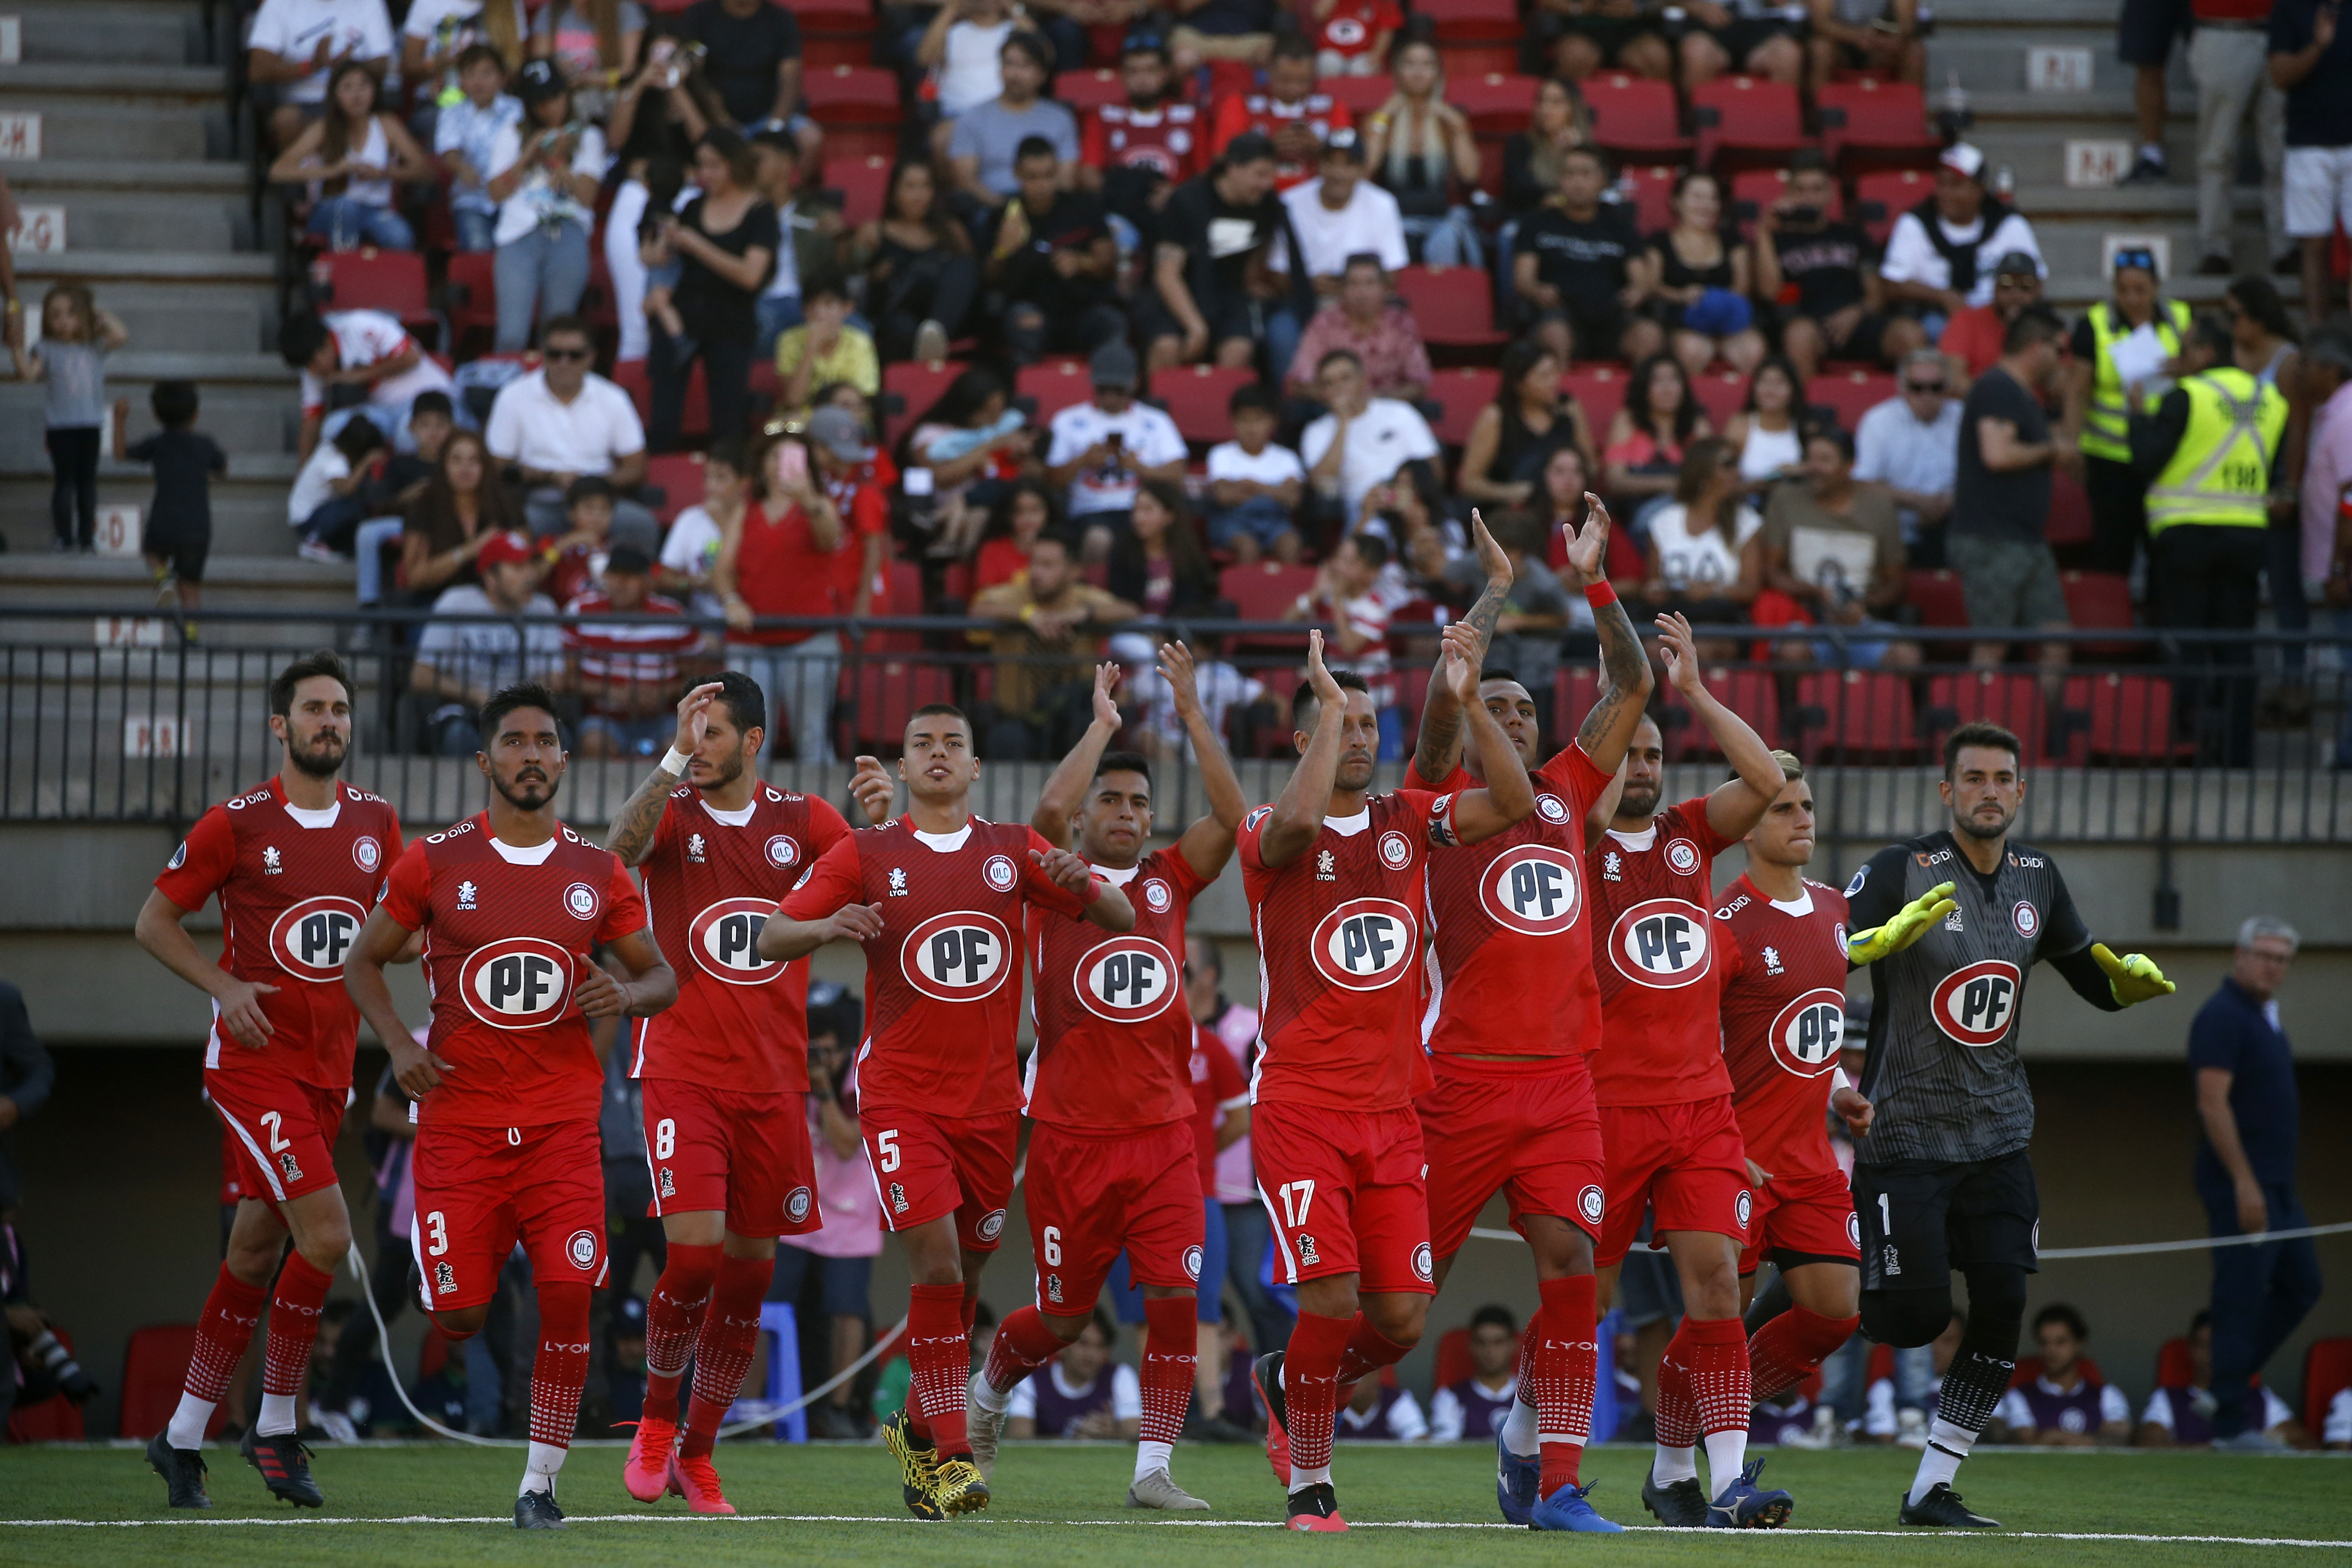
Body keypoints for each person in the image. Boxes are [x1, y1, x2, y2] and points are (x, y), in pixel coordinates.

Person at [757, 706, 1135, 1519]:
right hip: (899, 1096)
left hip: (993, 1105)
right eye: (921, 743)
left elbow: (1122, 918)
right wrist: (828, 923)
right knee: (931, 1261)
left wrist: (1085, 883)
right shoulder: (866, 852)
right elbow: (770, 934)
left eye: (951, 745)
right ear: (902, 766)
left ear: (974, 770)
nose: (936, 754)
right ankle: (954, 1457)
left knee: (964, 1274)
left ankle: (913, 1432)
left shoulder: (1011, 850)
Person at [346, 683, 676, 1528]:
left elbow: (663, 977)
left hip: (564, 1130)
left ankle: (539, 1486)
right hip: (460, 1127)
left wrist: (623, 994)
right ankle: (444, 1270)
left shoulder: (598, 871)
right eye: (515, 741)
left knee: (569, 1299)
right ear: (485, 759)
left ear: (564, 760)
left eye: (545, 742)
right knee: (459, 1314)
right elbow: (361, 962)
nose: (531, 755)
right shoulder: (432, 861)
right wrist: (403, 1044)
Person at [1241, 612, 1538, 1532]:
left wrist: (1466, 695)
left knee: (1402, 1318)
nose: (1363, 738)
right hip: (1300, 1107)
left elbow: (1517, 802)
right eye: (1342, 723)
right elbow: (1295, 822)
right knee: (1328, 1295)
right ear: (1306, 738)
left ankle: (1282, 1379)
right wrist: (1327, 706)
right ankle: (1310, 1488)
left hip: (1391, 1112)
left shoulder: (1411, 819)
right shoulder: (1267, 827)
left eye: (1371, 725)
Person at [1843, 720, 2176, 1528]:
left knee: (2000, 1306)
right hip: (1904, 1139)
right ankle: (1810, 1279)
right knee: (1912, 1320)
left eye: (2002, 778)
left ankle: (1931, 1488)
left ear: (2020, 793)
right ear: (1946, 791)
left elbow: (2088, 975)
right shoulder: (1900, 868)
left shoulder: (2038, 877)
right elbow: (1823, 950)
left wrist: (2127, 987)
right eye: (1974, 777)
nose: (1989, 791)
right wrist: (1873, 943)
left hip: (1997, 1136)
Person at [1398, 499, 1646, 1529]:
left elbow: (1632, 681)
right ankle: (1304, 1388)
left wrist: (1593, 579)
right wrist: (1491, 598)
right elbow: (1437, 724)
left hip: (1559, 1082)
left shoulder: (1567, 789)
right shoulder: (1441, 796)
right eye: (1490, 708)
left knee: (1572, 1273)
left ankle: (1552, 1480)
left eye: (1521, 710)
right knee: (1401, 1307)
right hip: (1460, 1077)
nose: (1508, 720)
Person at [972, 648, 1248, 1508]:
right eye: (1112, 801)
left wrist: (1194, 715)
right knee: (1059, 1321)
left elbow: (1235, 818)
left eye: (1138, 803)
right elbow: (1048, 807)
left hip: (1166, 1135)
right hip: (1069, 1137)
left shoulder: (1170, 881)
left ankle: (1153, 1471)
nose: (1125, 813)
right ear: (1089, 817)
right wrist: (1102, 726)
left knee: (1175, 1299)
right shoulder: (1051, 879)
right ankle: (986, 1395)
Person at [133, 652, 404, 1511]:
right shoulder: (236, 823)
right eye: (313, 710)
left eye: (340, 710)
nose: (329, 722)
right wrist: (225, 986)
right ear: (280, 726)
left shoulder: (377, 823)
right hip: (253, 1067)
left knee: (254, 1250)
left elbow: (397, 932)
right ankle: (279, 1425)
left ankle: (179, 1441)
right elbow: (153, 921)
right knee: (323, 1238)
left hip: (328, 1074)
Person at [596, 674, 856, 1508]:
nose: (698, 747)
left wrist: (881, 818)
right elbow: (614, 854)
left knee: (749, 1276)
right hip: (683, 1071)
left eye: (710, 734)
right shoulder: (673, 812)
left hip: (775, 1085)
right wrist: (670, 754)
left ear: (751, 741)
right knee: (696, 1255)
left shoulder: (806, 819)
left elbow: (876, 875)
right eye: (689, 734)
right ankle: (656, 1424)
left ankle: (700, 1453)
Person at [1580, 616, 1788, 1530]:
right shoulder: (1575, 846)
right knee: (1575, 1301)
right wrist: (1618, 697)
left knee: (1715, 1286)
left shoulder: (1688, 838)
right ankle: (1521, 1446)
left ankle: (1727, 1477)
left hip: (1700, 1110)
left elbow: (1767, 781)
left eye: (1658, 756)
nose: (1645, 770)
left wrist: (1696, 691)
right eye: (1632, 754)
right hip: (1603, 1107)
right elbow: (1589, 776)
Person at [1716, 754, 1919, 1464]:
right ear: (1744, 824)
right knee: (1714, 1323)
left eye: (1805, 805)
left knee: (1837, 1308)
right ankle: (1697, 1462)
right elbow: (1694, 1040)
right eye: (1781, 807)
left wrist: (1836, 1086)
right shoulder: (1724, 920)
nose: (1802, 818)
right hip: (1733, 1157)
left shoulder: (1836, 908)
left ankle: (1717, 1405)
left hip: (1806, 1158)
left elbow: (1811, 1025)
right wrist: (1711, 1138)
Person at [2188, 915, 2322, 1450]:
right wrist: (2244, 1183)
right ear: (2239, 955)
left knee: (2302, 1284)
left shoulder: (2265, 1016)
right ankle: (2228, 1423)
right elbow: (2211, 1101)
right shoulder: (2222, 1015)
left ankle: (2224, 1387)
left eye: (2282, 959)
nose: (2273, 967)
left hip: (2278, 1185)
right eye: (2264, 955)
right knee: (2240, 1296)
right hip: (2243, 1185)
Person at [2131, 314, 2287, 765]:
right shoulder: (2270, 397)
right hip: (2246, 537)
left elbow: (2146, 462)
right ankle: (2238, 756)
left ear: (2203, 353)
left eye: (2183, 350)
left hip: (2186, 536)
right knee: (2237, 648)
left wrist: (2139, 417)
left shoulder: (2188, 396)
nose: (2175, 359)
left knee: (2188, 646)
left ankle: (2188, 751)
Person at [711, 426, 869, 765]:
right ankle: (749, 817)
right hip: (751, 640)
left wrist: (808, 498)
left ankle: (822, 818)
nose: (782, 464)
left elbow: (829, 539)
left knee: (811, 735)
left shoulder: (820, 505)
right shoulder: (747, 510)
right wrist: (731, 601)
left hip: (808, 639)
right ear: (763, 465)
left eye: (792, 456)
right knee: (749, 741)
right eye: (774, 456)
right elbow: (723, 570)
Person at [775, 983, 882, 1439]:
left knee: (846, 1308)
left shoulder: (860, 1073)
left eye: (829, 1049)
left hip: (851, 1214)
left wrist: (820, 1091)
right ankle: (753, 1406)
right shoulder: (789, 1065)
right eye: (812, 1046)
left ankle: (839, 1408)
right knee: (768, 1305)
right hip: (795, 1208)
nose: (820, 1056)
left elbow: (845, 1143)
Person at [1951, 307, 2070, 677]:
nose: (2061, 360)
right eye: (2058, 349)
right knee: (1993, 644)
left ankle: (2050, 734)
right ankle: (1977, 736)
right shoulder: (1997, 387)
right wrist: (2050, 450)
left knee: (2056, 639)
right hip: (1992, 539)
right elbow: (1997, 454)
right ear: (2037, 347)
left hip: (2027, 540)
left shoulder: (2022, 394)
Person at [643, 129, 778, 452]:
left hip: (731, 321)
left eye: (715, 165)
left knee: (728, 423)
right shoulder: (692, 206)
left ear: (735, 164)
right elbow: (656, 257)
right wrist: (665, 237)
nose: (706, 174)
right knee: (663, 419)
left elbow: (750, 276)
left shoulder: (761, 213)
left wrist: (696, 244)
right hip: (683, 316)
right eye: (702, 166)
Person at [2063, 248, 2192, 576]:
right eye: (2123, 291)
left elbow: (2201, 370)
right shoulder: (2094, 323)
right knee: (2111, 549)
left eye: (2141, 290)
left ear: (2157, 287)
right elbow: (2078, 389)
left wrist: (2181, 368)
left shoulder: (2182, 319)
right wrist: (2071, 443)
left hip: (2165, 455)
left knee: (2164, 551)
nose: (2132, 299)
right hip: (2110, 457)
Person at [969, 532, 1140, 757]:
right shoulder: (1014, 595)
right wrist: (1028, 615)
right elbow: (977, 610)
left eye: (1047, 565)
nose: (1036, 573)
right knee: (1006, 740)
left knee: (1093, 734)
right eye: (1034, 563)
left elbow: (1130, 611)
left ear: (1074, 571)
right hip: (1018, 719)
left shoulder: (1083, 598)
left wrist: (1085, 615)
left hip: (1071, 719)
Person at [1760, 428, 1918, 669]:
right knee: (1792, 652)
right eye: (1810, 459)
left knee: (1907, 657)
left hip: (1864, 622)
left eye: (1825, 461)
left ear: (1850, 466)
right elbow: (1772, 572)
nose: (1814, 468)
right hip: (1806, 619)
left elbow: (1896, 582)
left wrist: (1863, 605)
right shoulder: (1786, 499)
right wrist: (1816, 593)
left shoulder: (1878, 506)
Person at [483, 315, 652, 538]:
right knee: (515, 529)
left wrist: (589, 484)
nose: (564, 362)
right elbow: (495, 464)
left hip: (599, 502)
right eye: (555, 354)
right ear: (543, 356)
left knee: (641, 525)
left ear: (591, 358)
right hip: (537, 500)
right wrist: (549, 477)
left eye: (575, 355)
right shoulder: (513, 396)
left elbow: (636, 467)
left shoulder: (613, 398)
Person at [1143, 133, 1299, 372]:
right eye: (1259, 175)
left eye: (1271, 176)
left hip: (1228, 295)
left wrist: (1253, 282)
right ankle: (1157, 406)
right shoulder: (1188, 200)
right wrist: (1195, 326)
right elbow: (1166, 275)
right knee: (1168, 346)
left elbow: (1259, 251)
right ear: (1233, 168)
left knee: (1239, 349)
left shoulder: (1266, 206)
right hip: (1182, 292)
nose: (1267, 184)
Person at [1756, 154, 1917, 382]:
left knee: (1910, 333)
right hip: (1810, 327)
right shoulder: (1777, 241)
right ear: (1787, 194)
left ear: (1830, 194)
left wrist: (1856, 312)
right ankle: (1803, 415)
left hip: (1859, 322)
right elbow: (1770, 292)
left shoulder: (1852, 235)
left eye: (1817, 189)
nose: (1809, 197)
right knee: (1799, 334)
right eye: (1800, 190)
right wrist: (1764, 233)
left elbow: (1876, 294)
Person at [483, 59, 609, 351]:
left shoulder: (589, 137)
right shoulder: (512, 134)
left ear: (566, 95)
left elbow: (587, 198)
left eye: (554, 98)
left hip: (568, 234)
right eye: (539, 102)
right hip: (518, 236)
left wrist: (559, 162)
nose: (548, 108)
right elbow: (495, 194)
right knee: (511, 337)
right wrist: (528, 154)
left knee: (556, 337)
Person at [410, 530, 568, 756]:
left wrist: (520, 701)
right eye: (517, 568)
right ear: (490, 577)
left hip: (525, 716)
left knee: (560, 738)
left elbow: (556, 680)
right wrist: (476, 695)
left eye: (529, 566)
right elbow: (421, 676)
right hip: (467, 711)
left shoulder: (544, 608)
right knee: (459, 736)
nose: (530, 576)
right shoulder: (457, 602)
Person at [1514, 147, 1659, 367]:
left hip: (1613, 315)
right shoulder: (1536, 223)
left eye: (1585, 174)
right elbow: (1523, 279)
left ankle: (1638, 398)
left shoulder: (1620, 226)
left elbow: (1640, 278)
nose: (1577, 183)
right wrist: (1537, 290)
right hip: (1559, 313)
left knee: (1649, 334)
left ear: (1603, 180)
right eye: (1569, 174)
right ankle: (1559, 399)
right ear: (1558, 180)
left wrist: (1638, 292)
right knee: (1555, 334)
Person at [268, 60, 434, 251]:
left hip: (375, 210)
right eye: (348, 88)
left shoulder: (387, 124)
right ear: (335, 95)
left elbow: (426, 170)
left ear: (374, 90)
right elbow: (278, 171)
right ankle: (344, 268)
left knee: (401, 237)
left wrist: (384, 173)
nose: (357, 95)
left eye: (364, 86)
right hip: (330, 209)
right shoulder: (323, 128)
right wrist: (332, 171)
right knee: (345, 207)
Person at [989, 137, 1127, 365]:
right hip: (1032, 308)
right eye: (1032, 177)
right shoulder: (1006, 215)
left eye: (1048, 175)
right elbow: (989, 278)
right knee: (1025, 322)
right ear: (1017, 174)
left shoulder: (1083, 206)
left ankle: (1109, 396)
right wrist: (1002, 251)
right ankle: (1027, 397)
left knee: (1111, 322)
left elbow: (1109, 266)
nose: (1042, 185)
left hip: (1081, 309)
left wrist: (1082, 263)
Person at [1877, 145, 2044, 334]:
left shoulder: (2008, 223)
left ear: (1979, 189)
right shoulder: (1916, 222)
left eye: (1956, 185)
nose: (1945, 193)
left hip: (2000, 315)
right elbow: (1892, 283)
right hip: (1939, 316)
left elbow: (2037, 280)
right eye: (1941, 184)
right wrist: (1943, 297)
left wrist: (2005, 304)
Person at [1042, 340, 1189, 551]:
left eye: (1119, 390)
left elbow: (1178, 475)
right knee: (1099, 539)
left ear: (1136, 382)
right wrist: (1083, 460)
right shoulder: (1067, 420)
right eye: (1103, 389)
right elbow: (1051, 480)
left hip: (1143, 510)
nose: (1110, 397)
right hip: (1090, 512)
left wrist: (1138, 466)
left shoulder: (1157, 420)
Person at [14, 282, 125, 553]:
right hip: (60, 427)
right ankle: (65, 536)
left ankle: (87, 538)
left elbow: (121, 336)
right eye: (56, 316)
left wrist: (100, 314)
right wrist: (16, 348)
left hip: (90, 426)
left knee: (87, 483)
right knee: (65, 482)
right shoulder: (46, 348)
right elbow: (29, 374)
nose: (63, 322)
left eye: (71, 314)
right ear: (47, 320)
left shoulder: (94, 346)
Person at [561, 547, 701, 760]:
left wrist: (663, 692)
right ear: (605, 578)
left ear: (647, 582)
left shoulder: (673, 615)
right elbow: (568, 678)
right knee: (594, 744)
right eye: (614, 576)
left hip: (663, 716)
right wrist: (614, 692)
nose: (621, 584)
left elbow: (696, 676)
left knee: (680, 749)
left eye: (630, 577)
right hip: (604, 717)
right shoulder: (580, 611)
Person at [1363, 39, 1482, 269]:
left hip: (1440, 220)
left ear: (1438, 73)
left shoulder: (1450, 120)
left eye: (1427, 65)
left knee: (1448, 239)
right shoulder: (1381, 118)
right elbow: (1367, 167)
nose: (1418, 72)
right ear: (1397, 72)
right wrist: (1382, 119)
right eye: (1410, 64)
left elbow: (1470, 174)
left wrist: (1458, 128)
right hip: (1394, 221)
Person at [2269, 0, 2352, 320]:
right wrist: (2317, 47)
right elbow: (2279, 74)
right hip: (2308, 146)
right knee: (2314, 246)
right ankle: (2319, 341)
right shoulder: (2290, 8)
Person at [2191, 0, 2288, 274]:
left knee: (2281, 152)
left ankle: (2286, 244)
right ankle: (2214, 247)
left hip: (2280, 29)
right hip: (2222, 28)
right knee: (2216, 153)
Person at [851, 160, 977, 366]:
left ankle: (936, 333)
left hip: (946, 315)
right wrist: (874, 276)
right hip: (898, 314)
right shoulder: (873, 233)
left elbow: (971, 279)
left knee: (963, 266)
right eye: (910, 187)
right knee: (901, 326)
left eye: (926, 186)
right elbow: (852, 282)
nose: (919, 195)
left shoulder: (951, 230)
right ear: (893, 192)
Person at [1301, 348, 1443, 529]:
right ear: (1322, 392)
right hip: (1364, 512)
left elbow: (1433, 467)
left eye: (1345, 378)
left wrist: (1402, 494)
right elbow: (1322, 483)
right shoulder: (1316, 431)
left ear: (1363, 379)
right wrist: (1343, 423)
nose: (1338, 387)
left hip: (1411, 502)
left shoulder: (1400, 412)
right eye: (1329, 383)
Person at [1634, 439, 1763, 635]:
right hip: (1671, 619)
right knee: (1655, 649)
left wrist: (1712, 591)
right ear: (1702, 471)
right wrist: (1657, 591)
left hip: (1721, 622)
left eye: (1738, 464)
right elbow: (1650, 583)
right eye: (1728, 465)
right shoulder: (1664, 521)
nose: (1738, 472)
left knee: (1701, 648)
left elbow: (1750, 589)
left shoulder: (1746, 521)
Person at [1078, 33, 1205, 228]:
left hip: (1177, 213)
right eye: (1134, 72)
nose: (1142, 79)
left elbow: (1205, 174)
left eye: (1150, 71)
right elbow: (1089, 173)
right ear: (1123, 76)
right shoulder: (1104, 117)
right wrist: (1126, 197)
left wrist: (1177, 194)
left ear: (1165, 74)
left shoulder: (1189, 118)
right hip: (1120, 216)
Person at [120, 380, 226, 613]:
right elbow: (222, 469)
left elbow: (121, 454)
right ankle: (191, 638)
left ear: (156, 413)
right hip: (197, 527)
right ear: (196, 414)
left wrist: (119, 420)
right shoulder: (205, 444)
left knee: (152, 551)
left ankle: (163, 578)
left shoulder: (157, 443)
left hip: (164, 520)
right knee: (190, 588)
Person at [1647, 172, 1763, 380]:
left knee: (1753, 350)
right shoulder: (1659, 241)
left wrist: (1716, 303)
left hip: (1731, 320)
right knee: (1693, 350)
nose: (1706, 205)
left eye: (1713, 198)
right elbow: (1653, 285)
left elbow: (1743, 285)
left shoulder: (1731, 239)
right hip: (1682, 322)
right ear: (1677, 202)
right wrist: (1682, 296)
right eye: (1697, 197)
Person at [948, 33, 1080, 212]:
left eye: (1025, 65)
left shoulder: (1061, 119)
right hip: (990, 209)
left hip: (1048, 211)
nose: (1015, 74)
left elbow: (1065, 180)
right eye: (1009, 64)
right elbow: (965, 181)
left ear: (1042, 75)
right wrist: (1006, 210)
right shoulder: (972, 118)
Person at [1855, 348, 1962, 566]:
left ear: (1948, 389)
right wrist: (1918, 502)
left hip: (1958, 522)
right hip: (1897, 528)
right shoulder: (1879, 421)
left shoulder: (1963, 417)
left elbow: (1983, 476)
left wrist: (1951, 502)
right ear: (1902, 389)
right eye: (1917, 388)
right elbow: (1863, 484)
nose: (1927, 396)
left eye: (1936, 387)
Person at [246, 0, 397, 151]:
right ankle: (304, 173)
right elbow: (258, 70)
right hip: (305, 103)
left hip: (357, 103)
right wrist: (313, 66)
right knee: (285, 120)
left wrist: (347, 67)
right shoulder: (278, 4)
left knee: (389, 123)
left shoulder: (370, 3)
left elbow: (381, 64)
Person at [1461, 339, 1592, 512]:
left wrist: (1569, 485)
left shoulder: (1569, 408)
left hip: (1564, 508)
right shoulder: (1496, 417)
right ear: (1519, 384)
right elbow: (1468, 482)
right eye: (1544, 376)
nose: (1554, 382)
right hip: (1513, 512)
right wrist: (1510, 493)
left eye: (1555, 373)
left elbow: (1590, 465)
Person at [1285, 253, 1433, 405]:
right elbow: (1298, 384)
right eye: (1354, 284)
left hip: (1389, 410)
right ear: (1341, 290)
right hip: (1333, 412)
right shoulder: (1324, 324)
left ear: (1385, 288)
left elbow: (1419, 384)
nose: (1362, 293)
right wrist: (1339, 399)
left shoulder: (1400, 323)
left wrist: (1370, 403)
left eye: (1370, 283)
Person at [2136, 1310, 2300, 1445]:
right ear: (2192, 1349)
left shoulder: (2260, 1397)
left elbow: (2307, 1444)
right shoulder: (2169, 1398)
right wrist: (2217, 1451)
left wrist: (2269, 1442)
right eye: (2205, 1346)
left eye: (2222, 1348)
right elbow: (2148, 1443)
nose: (2214, 1355)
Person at [1210, 35, 1353, 191]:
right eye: (1285, 80)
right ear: (1269, 71)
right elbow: (1223, 160)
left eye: (1303, 81)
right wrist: (1267, 149)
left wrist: (1322, 150)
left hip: (1316, 196)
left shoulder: (1332, 106)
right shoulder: (1241, 103)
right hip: (1260, 194)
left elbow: (1350, 162)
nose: (1294, 89)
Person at [1278, 133, 1409, 299]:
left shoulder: (1383, 204)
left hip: (1362, 304)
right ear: (1319, 165)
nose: (1338, 174)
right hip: (1304, 300)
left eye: (1349, 165)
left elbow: (1391, 278)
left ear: (1363, 170)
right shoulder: (1290, 203)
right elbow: (1277, 275)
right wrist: (1308, 283)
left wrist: (1351, 287)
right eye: (1331, 163)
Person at [402, 427, 526, 600]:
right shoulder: (424, 506)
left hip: (496, 606)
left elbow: (526, 567)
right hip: (435, 605)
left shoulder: (505, 505)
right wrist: (469, 550)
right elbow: (414, 578)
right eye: (456, 460)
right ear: (443, 466)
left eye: (474, 460)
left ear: (485, 466)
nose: (465, 468)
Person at [1983, 1304, 2131, 1446]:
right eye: (2044, 1343)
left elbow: (2119, 1440)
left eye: (2061, 1342)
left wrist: (2056, 1438)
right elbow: (2026, 1442)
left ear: (2079, 1343)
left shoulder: (2107, 1395)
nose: (2052, 1350)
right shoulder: (2020, 1396)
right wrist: (2091, 1440)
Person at [1603, 353, 1711, 522]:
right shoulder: (1628, 421)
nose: (1667, 388)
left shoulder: (1697, 425)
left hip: (1690, 510)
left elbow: (1710, 479)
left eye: (1674, 380)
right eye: (1658, 381)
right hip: (1640, 513)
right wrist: (1670, 484)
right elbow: (1615, 480)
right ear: (1644, 388)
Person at [1205, 383, 1306, 563]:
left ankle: (1287, 591)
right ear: (1233, 421)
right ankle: (1246, 592)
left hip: (1276, 522)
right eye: (1244, 420)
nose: (1251, 427)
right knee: (1248, 547)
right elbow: (1223, 495)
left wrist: (1252, 487)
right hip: (1234, 523)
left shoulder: (1286, 458)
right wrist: (1274, 490)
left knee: (1291, 543)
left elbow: (1294, 499)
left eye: (1259, 419)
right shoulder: (1221, 454)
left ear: (1273, 421)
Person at [1002, 1312, 1145, 1438]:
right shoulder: (1031, 1379)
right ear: (1062, 1346)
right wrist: (1071, 1437)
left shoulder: (1120, 1376)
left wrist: (1111, 1434)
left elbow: (1134, 1436)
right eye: (1083, 1344)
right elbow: (1018, 1438)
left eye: (1100, 1346)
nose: (1091, 1355)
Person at [680, 0, 808, 136]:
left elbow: (791, 78)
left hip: (767, 116)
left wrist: (775, 126)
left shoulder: (780, 18)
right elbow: (692, 72)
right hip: (710, 116)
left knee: (809, 139)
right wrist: (720, 118)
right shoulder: (700, 15)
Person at [773, 276, 882, 421]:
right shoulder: (788, 341)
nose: (819, 313)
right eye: (811, 306)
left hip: (848, 420)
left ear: (847, 308)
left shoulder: (860, 343)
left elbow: (859, 404)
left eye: (828, 304)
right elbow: (793, 402)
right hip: (800, 421)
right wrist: (811, 349)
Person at [1109, 479, 1220, 617]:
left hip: (1178, 632)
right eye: (1136, 510)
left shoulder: (1189, 555)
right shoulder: (1123, 551)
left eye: (1147, 510)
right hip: (1133, 630)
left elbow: (1198, 601)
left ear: (1169, 515)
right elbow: (1119, 599)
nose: (1138, 518)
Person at [1937, 251, 2043, 393]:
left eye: (2026, 285)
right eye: (2007, 283)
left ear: (2038, 289)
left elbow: (2063, 383)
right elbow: (1953, 380)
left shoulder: (2048, 328)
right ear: (1995, 286)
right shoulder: (1967, 320)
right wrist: (1998, 399)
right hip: (1983, 408)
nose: (2015, 294)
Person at [530, 0, 647, 113]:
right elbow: (538, 66)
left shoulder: (624, 11)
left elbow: (628, 70)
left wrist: (589, 79)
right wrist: (556, 67)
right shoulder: (551, 12)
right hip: (562, 94)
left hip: (608, 94)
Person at [1723, 356, 1805, 493]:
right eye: (1764, 382)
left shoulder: (1806, 427)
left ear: (1794, 389)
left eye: (1780, 383)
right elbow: (1722, 477)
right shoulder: (1739, 425)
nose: (1770, 390)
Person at [1678, 0, 1805, 86]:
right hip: (1705, 25)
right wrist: (1698, 7)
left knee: (1788, 54)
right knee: (1698, 53)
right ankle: (1696, 120)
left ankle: (1779, 121)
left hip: (1755, 24)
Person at [1807, 0, 1925, 83]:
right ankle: (1818, 112)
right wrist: (1858, 36)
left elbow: (1907, 25)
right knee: (1821, 49)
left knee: (1914, 51)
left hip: (1880, 47)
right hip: (1839, 47)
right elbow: (1821, 24)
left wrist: (1888, 39)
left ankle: (1910, 112)